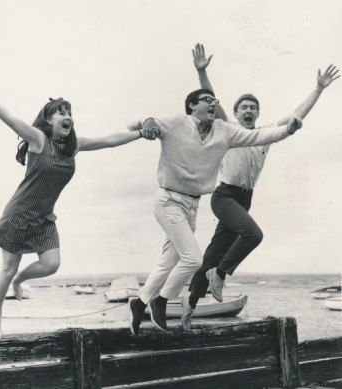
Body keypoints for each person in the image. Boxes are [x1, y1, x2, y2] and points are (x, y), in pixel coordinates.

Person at [0, 77, 155, 339]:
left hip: (44, 218)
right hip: (19, 214)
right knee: (7, 268)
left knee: (51, 265)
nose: (68, 117)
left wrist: (140, 134)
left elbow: (109, 140)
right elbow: (9, 118)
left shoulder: (73, 147)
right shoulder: (38, 139)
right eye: (61, 112)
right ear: (49, 120)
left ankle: (20, 280)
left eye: (70, 113)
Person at [180, 44, 339, 330]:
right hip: (224, 195)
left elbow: (295, 116)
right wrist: (202, 71)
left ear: (257, 114)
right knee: (253, 235)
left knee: (212, 256)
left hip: (243, 200)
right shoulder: (228, 130)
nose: (249, 111)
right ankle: (219, 276)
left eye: (253, 108)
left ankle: (189, 309)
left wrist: (318, 89)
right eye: (244, 108)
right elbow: (213, 103)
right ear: (237, 114)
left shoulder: (265, 136)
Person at [126, 83, 303, 333]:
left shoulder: (222, 132)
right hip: (170, 199)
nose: (212, 103)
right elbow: (137, 120)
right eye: (206, 99)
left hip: (193, 203)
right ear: (192, 106)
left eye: (214, 100)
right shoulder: (179, 121)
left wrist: (288, 131)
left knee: (171, 260)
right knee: (194, 259)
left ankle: (141, 302)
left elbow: (262, 135)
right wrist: (147, 121)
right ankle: (162, 299)